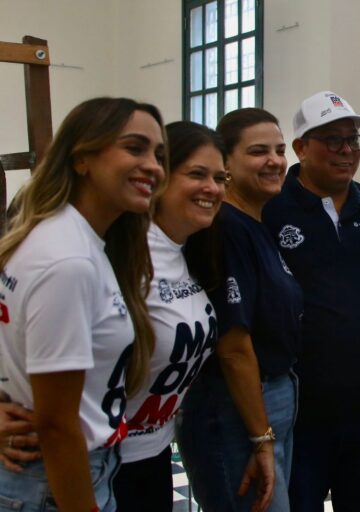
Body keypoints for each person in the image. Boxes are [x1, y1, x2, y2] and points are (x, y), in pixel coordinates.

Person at [0, 97, 166, 511]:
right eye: (134, 148)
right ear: (81, 159)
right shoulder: (68, 260)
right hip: (54, 481)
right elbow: (57, 425)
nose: (154, 166)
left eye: (159, 154)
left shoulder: (73, 241)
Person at [261, 91, 360, 511]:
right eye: (332, 140)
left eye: (352, 140)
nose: (345, 150)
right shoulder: (272, 208)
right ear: (300, 147)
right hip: (300, 412)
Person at [176, 108, 302, 512]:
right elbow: (233, 347)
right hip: (235, 410)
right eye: (259, 151)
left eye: (280, 150)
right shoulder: (227, 228)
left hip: (268, 401)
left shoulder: (255, 223)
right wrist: (260, 437)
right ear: (226, 162)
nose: (275, 161)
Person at [111, 121, 227, 511]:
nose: (213, 188)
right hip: (99, 464)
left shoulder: (188, 252)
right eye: (197, 174)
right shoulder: (120, 253)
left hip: (154, 454)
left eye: (219, 177)